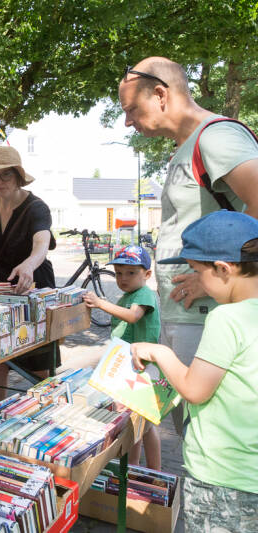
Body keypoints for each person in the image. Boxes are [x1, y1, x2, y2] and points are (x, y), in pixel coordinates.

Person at [118, 57, 258, 432]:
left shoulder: (216, 137)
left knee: (208, 431)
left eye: (131, 109)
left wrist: (209, 278)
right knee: (190, 431)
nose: (127, 122)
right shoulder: (189, 145)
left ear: (161, 95)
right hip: (188, 313)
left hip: (206, 314)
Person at [131, 211, 258, 533]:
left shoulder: (227, 318)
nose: (195, 280)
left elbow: (195, 389)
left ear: (224, 269)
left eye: (198, 271)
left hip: (222, 477)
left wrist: (161, 352)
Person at [0, 145, 58, 408]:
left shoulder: (36, 207)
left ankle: (45, 417)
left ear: (18, 176)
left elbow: (42, 243)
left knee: (38, 364)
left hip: (33, 283)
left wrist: (29, 265)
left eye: (5, 175)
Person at [82, 245, 161, 469]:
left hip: (141, 367)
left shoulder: (144, 294)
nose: (122, 278)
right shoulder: (129, 295)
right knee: (135, 421)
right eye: (118, 273)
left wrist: (100, 303)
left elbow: (133, 316)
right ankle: (134, 464)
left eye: (130, 273)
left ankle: (156, 472)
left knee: (146, 423)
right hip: (129, 365)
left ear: (147, 274)